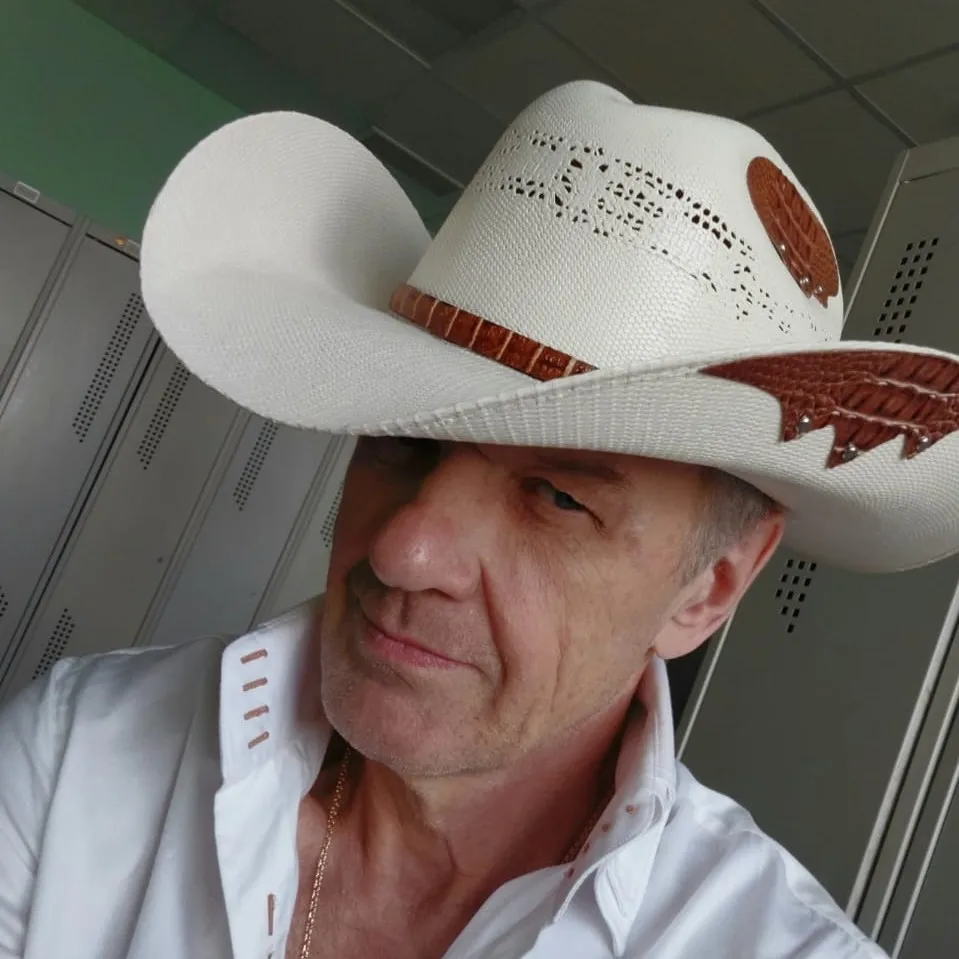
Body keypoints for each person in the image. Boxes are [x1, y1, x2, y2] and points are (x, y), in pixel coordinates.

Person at [3, 80, 958, 959]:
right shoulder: (80, 751)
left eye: (558, 496)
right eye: (404, 442)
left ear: (708, 588)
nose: (404, 547)